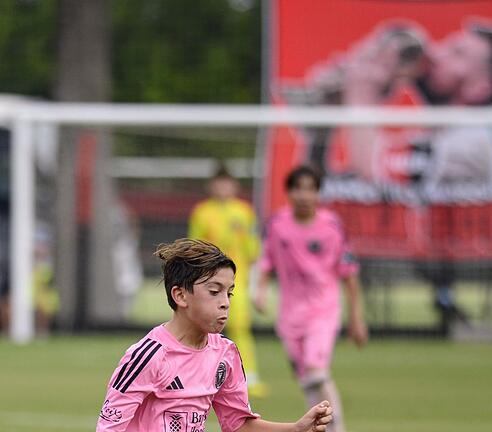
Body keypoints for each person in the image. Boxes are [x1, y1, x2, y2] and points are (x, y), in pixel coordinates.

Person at [96, 238, 333, 431]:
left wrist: (296, 429)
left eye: (228, 293)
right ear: (180, 296)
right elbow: (109, 427)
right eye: (214, 291)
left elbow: (238, 425)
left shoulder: (224, 354)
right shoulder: (148, 356)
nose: (225, 304)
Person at [253, 165, 368, 432]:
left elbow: (349, 275)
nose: (304, 195)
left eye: (310, 189)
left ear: (318, 194)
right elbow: (266, 261)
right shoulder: (277, 224)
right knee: (305, 377)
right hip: (290, 315)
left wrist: (357, 319)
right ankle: (321, 427)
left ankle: (337, 428)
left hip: (323, 310)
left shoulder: (331, 226)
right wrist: (259, 291)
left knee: (317, 370)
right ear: (288, 192)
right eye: (298, 188)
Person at [189, 163, 268, 398]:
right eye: (218, 182)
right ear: (211, 186)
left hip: (237, 283)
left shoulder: (244, 212)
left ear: (233, 185)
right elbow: (194, 247)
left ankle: (249, 378)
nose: (222, 187)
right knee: (204, 328)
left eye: (226, 182)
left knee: (240, 328)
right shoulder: (202, 212)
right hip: (208, 282)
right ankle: (202, 375)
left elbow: (253, 249)